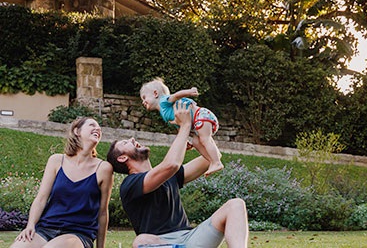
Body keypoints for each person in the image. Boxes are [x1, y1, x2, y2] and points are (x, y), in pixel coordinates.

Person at [106, 99, 249, 248]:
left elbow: (211, 160)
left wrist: (197, 136)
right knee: (141, 241)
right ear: (122, 158)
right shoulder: (130, 184)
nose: (132, 139)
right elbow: (171, 165)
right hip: (161, 242)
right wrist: (184, 126)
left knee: (235, 205)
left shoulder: (171, 176)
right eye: (125, 143)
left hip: (190, 238)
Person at [11, 117, 114, 248]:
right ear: (77, 131)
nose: (98, 128)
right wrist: (30, 225)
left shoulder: (104, 168)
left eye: (99, 128)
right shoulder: (56, 161)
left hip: (78, 234)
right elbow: (41, 198)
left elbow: (103, 212)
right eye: (92, 125)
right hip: (46, 229)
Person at [140, 77, 224, 176]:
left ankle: (216, 162)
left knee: (205, 139)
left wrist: (189, 92)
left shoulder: (163, 101)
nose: (143, 102)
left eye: (144, 97)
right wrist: (185, 139)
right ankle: (212, 161)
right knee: (196, 142)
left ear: (155, 94)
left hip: (201, 115)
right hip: (197, 123)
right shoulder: (165, 112)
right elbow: (180, 124)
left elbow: (176, 96)